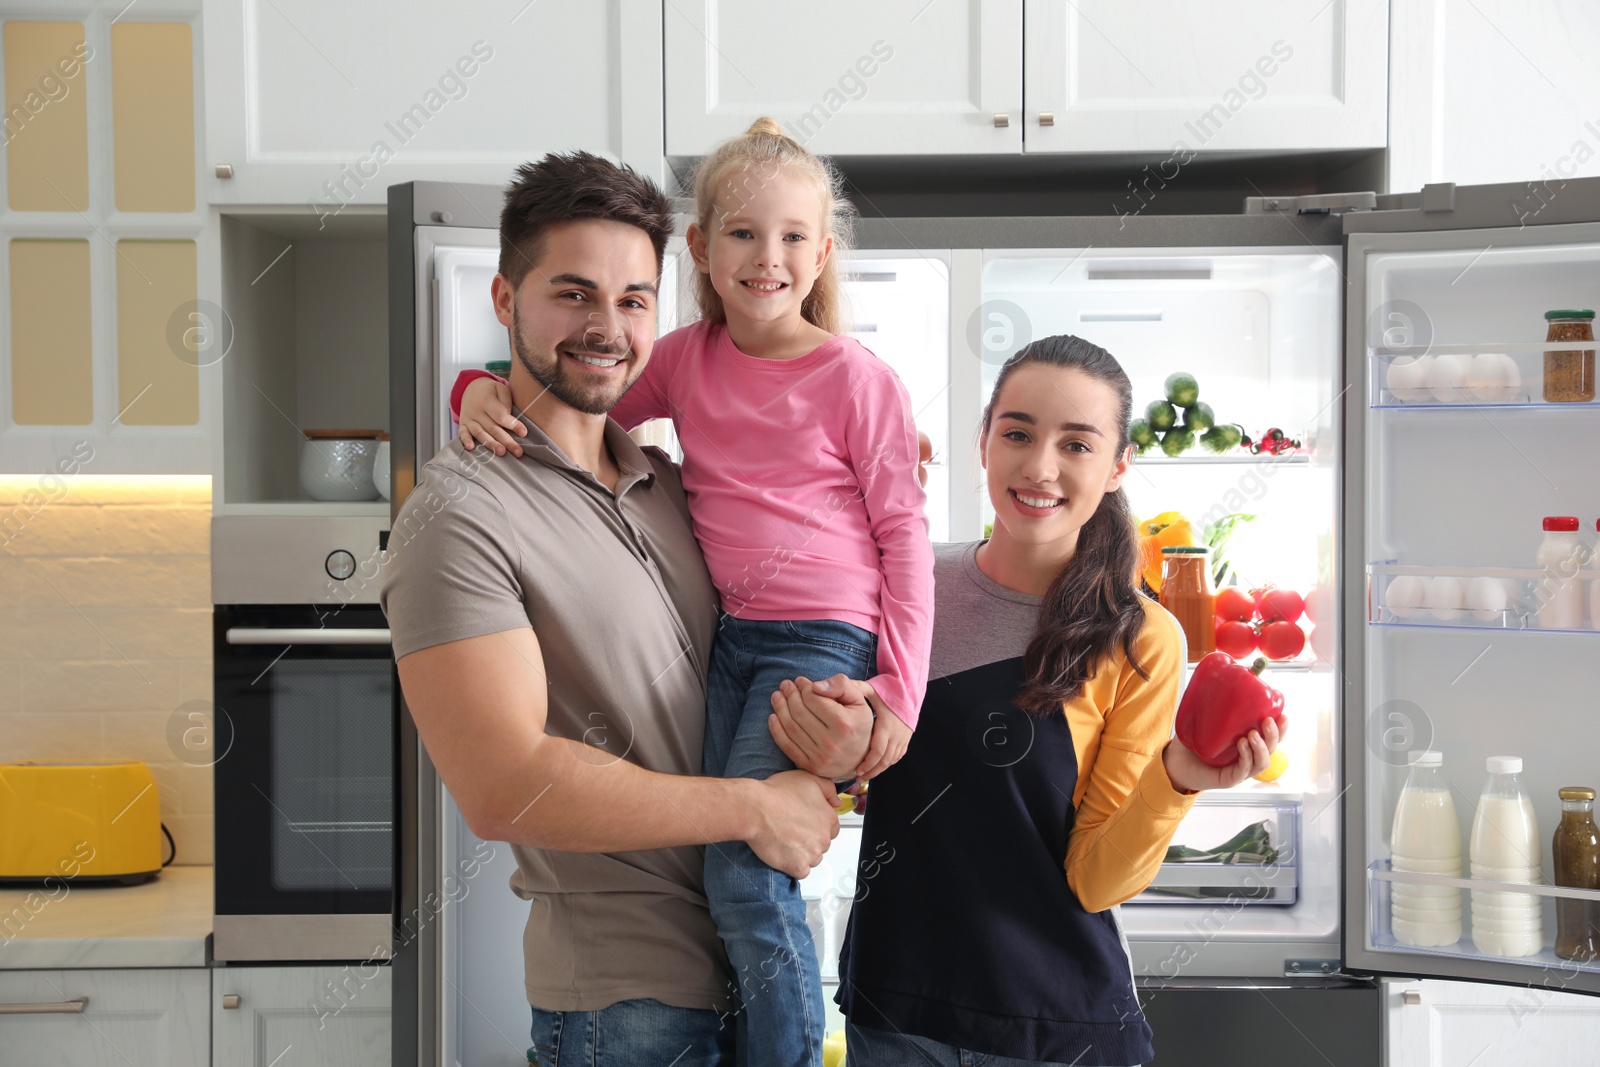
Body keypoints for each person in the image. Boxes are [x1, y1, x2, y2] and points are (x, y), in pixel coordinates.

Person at [451, 118, 935, 1067]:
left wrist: (897, 703)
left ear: (823, 252)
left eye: (795, 236)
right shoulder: (681, 357)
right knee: (722, 857)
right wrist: (476, 385)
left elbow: (905, 543)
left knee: (747, 879)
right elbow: (572, 406)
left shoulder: (858, 379)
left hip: (816, 643)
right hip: (734, 641)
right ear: (705, 252)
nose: (770, 258)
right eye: (745, 235)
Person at [767, 336, 1284, 1067]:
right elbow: (847, 758)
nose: (1040, 466)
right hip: (897, 1002)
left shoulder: (1141, 636)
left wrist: (1180, 780)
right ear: (982, 442)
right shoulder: (909, 583)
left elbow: (1096, 878)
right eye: (1017, 432)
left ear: (1117, 466)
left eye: (1077, 444)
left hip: (1053, 1025)